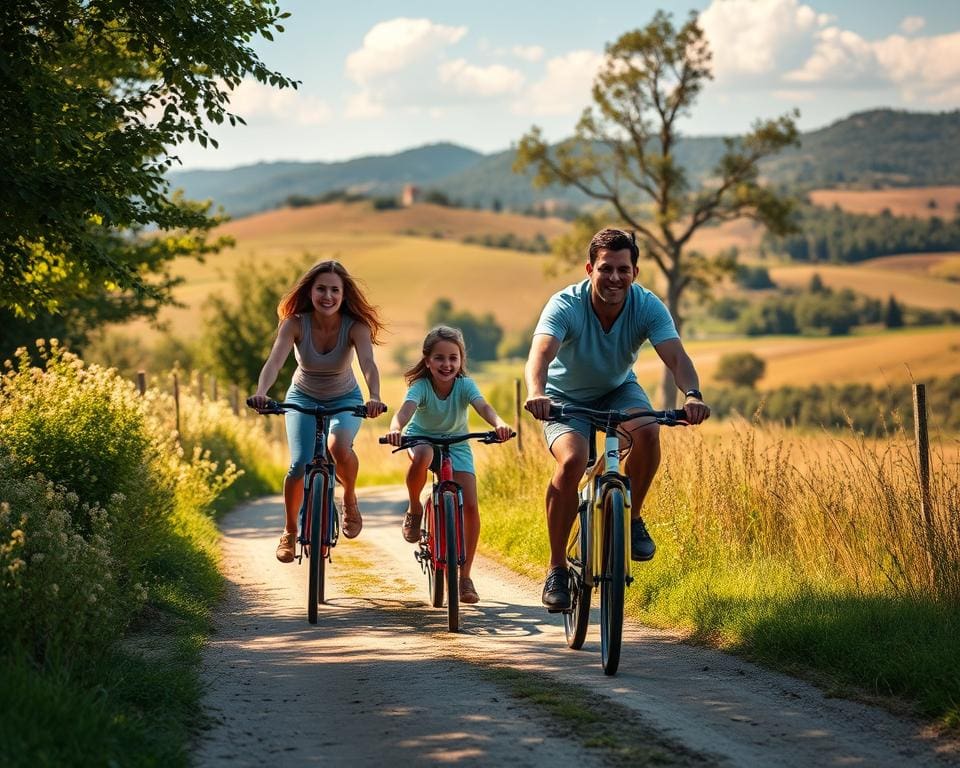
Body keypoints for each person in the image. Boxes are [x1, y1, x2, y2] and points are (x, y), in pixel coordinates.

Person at [523, 228, 710, 611]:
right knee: (573, 460)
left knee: (648, 431)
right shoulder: (566, 304)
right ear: (590, 268)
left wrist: (692, 395)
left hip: (618, 389)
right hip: (563, 398)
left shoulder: (647, 306)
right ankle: (557, 567)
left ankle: (634, 517)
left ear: (635, 272)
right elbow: (540, 354)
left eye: (623, 269)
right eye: (606, 269)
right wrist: (537, 392)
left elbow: (676, 357)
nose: (615, 278)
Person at [248, 260, 387, 563]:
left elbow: (368, 364)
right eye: (321, 289)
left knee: (337, 445)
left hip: (344, 398)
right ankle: (288, 532)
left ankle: (349, 497)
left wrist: (375, 396)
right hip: (303, 396)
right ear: (310, 291)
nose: (328, 296)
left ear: (343, 294)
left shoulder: (356, 326)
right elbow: (274, 362)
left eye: (334, 290)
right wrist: (262, 392)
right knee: (298, 464)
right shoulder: (295, 323)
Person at [384, 325, 513, 605]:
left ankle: (465, 577)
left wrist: (499, 424)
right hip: (422, 439)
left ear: (461, 361)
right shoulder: (421, 387)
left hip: (457, 444)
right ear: (428, 361)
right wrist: (396, 428)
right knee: (423, 456)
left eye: (453, 358)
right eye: (440, 358)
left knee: (470, 505)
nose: (447, 364)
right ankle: (415, 508)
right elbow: (404, 412)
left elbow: (483, 407)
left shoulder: (465, 386)